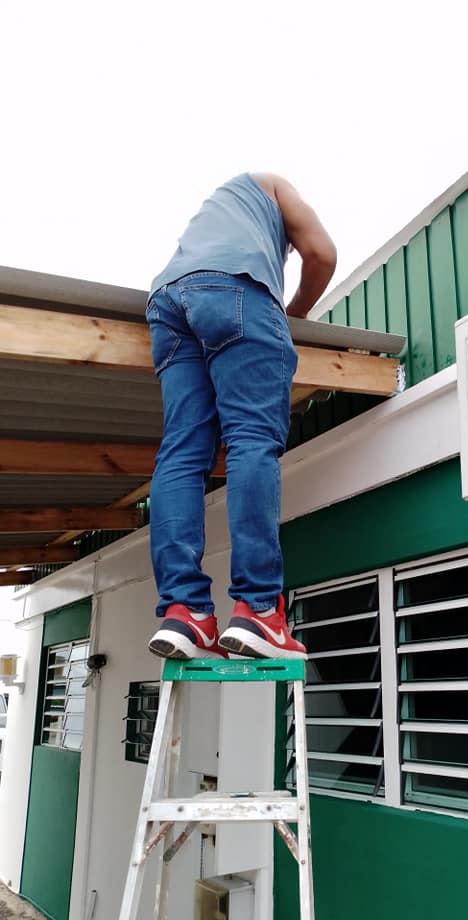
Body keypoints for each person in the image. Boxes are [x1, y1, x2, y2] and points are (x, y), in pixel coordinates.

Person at [145, 172, 336, 662]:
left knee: (182, 453)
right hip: (236, 290)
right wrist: (293, 311)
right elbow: (321, 253)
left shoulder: (210, 219)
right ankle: (258, 611)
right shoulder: (270, 183)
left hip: (167, 301)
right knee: (252, 439)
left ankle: (186, 613)